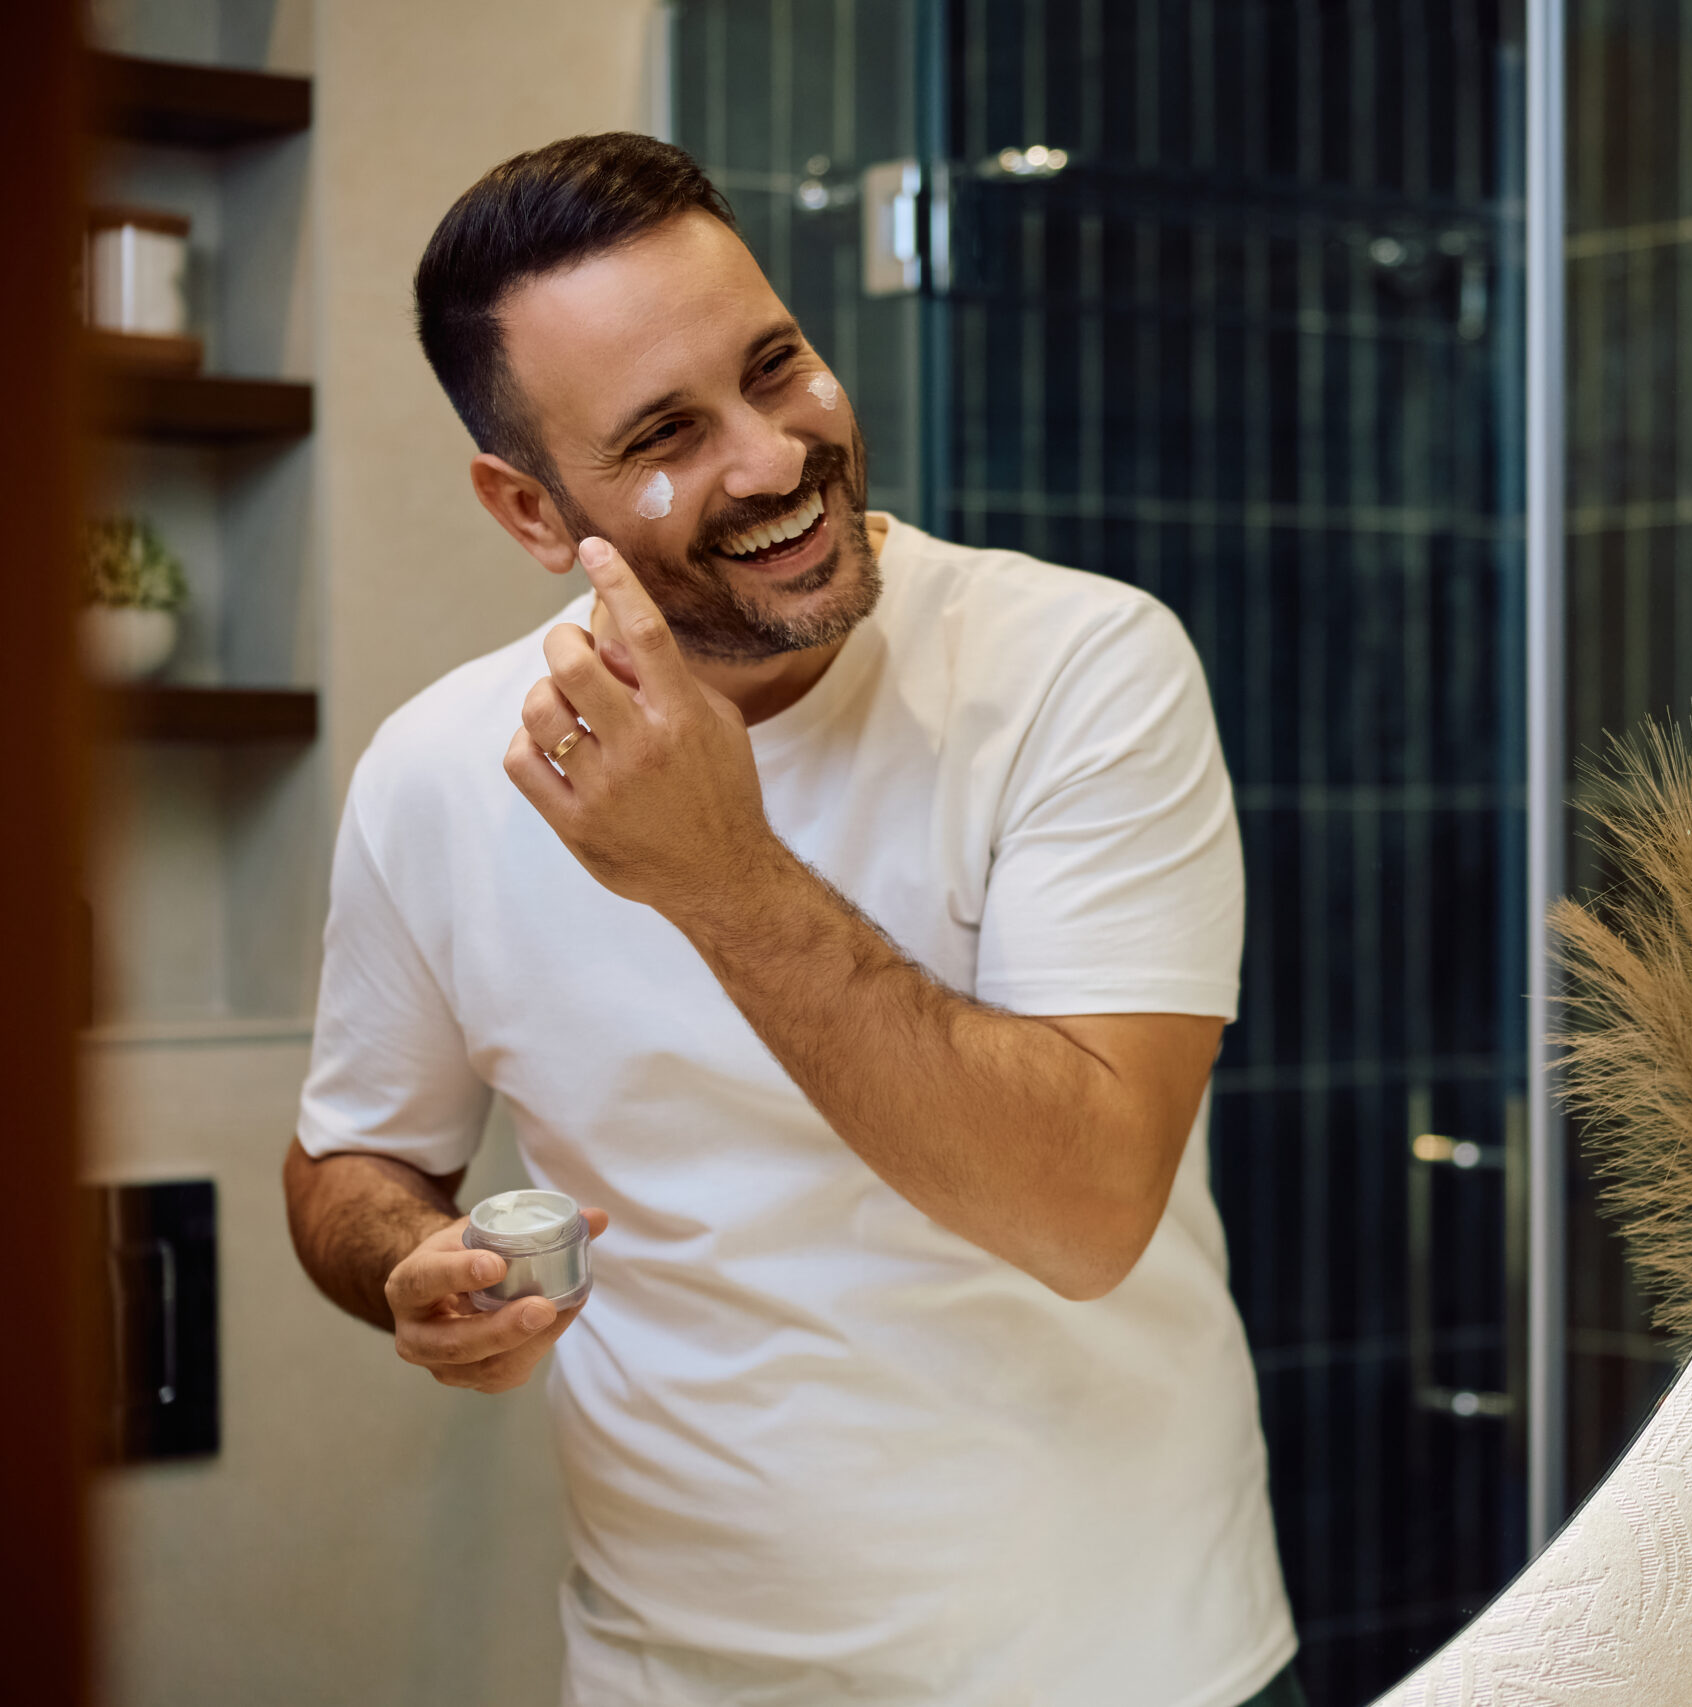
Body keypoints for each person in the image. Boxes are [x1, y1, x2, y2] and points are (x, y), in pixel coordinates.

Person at [281, 133, 1300, 1707]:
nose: (771, 457)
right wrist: (418, 1255)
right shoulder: (434, 773)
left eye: (779, 367)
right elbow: (352, 1157)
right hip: (668, 1677)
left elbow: (1090, 1209)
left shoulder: (1084, 671)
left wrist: (720, 872)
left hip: (1128, 1665)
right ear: (531, 510)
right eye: (667, 433)